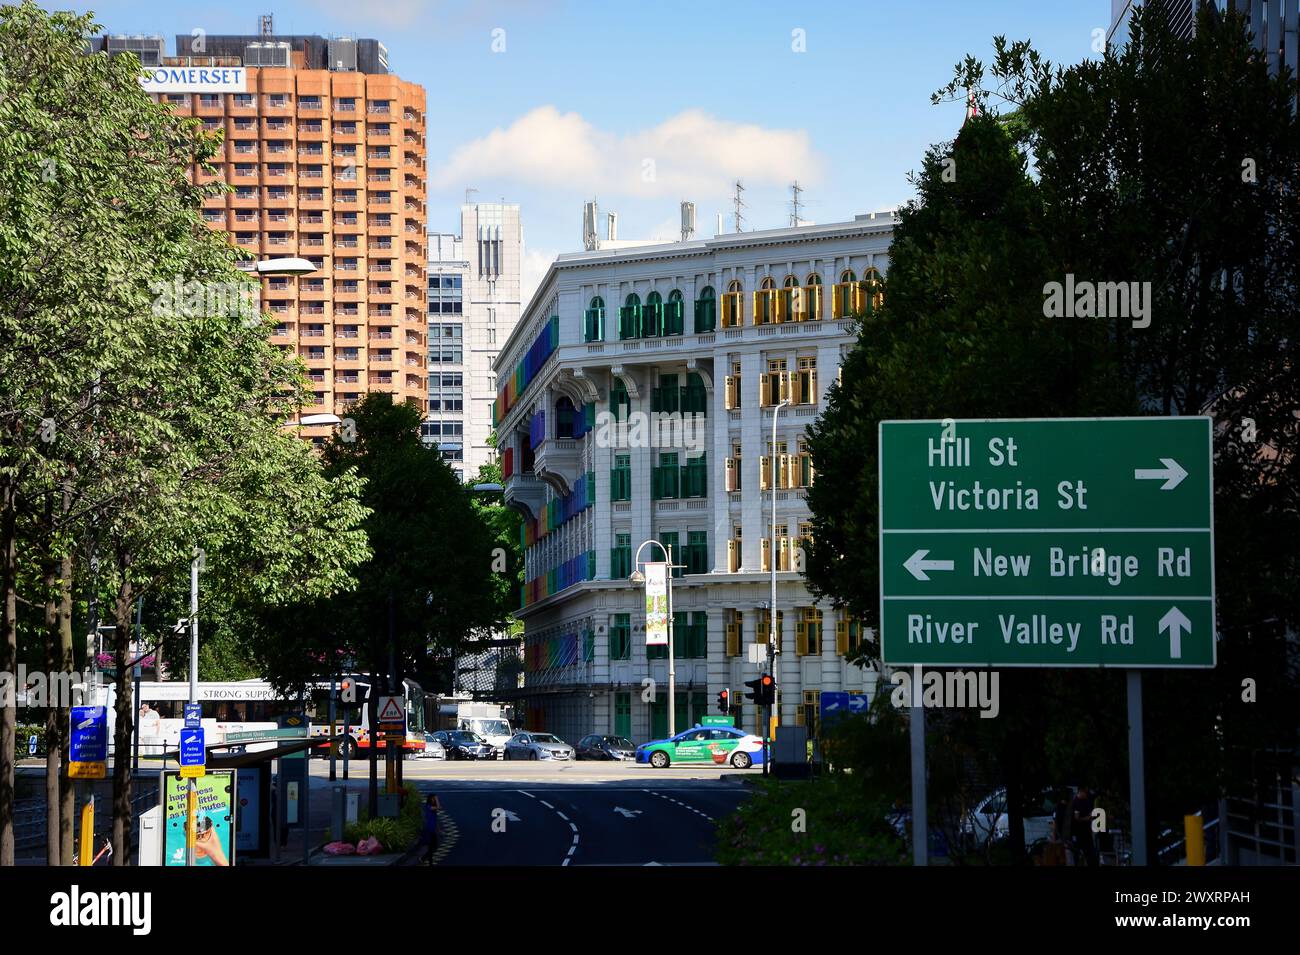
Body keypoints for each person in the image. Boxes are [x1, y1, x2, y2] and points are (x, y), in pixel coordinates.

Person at [1070, 785, 1100, 866]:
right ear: (1081, 792)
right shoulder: (1076, 802)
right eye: (1085, 792)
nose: (1087, 794)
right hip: (1079, 833)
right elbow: (1077, 818)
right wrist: (1087, 818)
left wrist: (1090, 816)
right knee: (1080, 853)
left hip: (1087, 832)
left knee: (1090, 854)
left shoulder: (1086, 800)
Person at [420, 793, 442, 865]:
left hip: (432, 830)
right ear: (430, 799)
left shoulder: (432, 807)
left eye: (434, 799)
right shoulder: (429, 806)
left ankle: (424, 859)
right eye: (432, 799)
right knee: (431, 847)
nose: (434, 800)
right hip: (429, 829)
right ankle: (428, 861)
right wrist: (436, 798)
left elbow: (435, 819)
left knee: (433, 846)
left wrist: (439, 830)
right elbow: (439, 807)